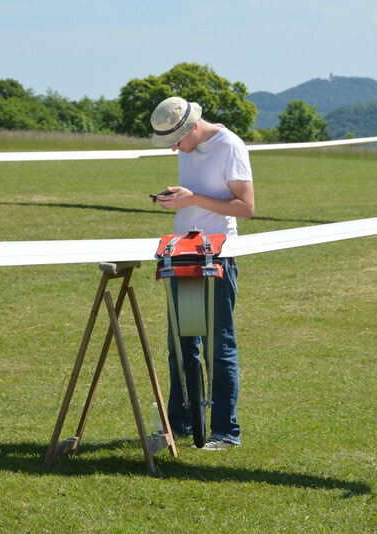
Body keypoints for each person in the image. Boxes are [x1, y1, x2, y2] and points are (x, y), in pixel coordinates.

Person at [150, 96, 254, 450]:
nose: (174, 149)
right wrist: (178, 200)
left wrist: (192, 199)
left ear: (192, 127)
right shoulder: (187, 148)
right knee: (180, 344)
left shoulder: (230, 146)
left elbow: (246, 207)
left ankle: (225, 431)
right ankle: (180, 423)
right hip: (181, 252)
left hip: (217, 257)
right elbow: (194, 196)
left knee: (217, 346)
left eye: (176, 141)